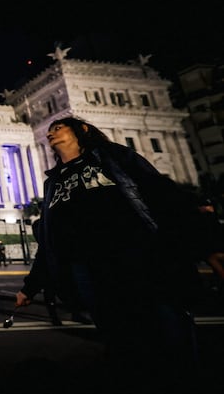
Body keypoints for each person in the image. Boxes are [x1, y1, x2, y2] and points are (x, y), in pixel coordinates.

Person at [14, 117, 220, 392]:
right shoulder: (54, 182)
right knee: (121, 339)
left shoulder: (114, 157)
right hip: (87, 269)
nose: (50, 133)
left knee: (167, 332)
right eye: (49, 130)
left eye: (58, 127)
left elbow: (161, 192)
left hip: (138, 258)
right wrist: (31, 285)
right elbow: (53, 239)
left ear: (82, 130)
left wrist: (202, 230)